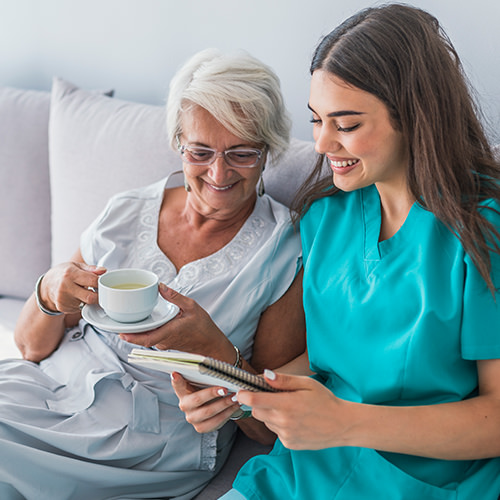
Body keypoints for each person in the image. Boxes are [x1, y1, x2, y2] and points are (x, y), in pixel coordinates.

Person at [172, 5, 500, 499]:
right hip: (302, 472)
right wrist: (241, 394)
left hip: (425, 482)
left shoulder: (481, 231)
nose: (322, 143)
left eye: (344, 124)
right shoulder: (326, 216)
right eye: (316, 120)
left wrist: (346, 423)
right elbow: (327, 361)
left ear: (412, 117)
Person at [0, 48, 306, 500]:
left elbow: (267, 430)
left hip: (149, 434)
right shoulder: (126, 210)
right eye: (200, 151)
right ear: (178, 142)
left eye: (242, 153)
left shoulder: (284, 250)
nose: (219, 173)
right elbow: (30, 346)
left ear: (268, 151)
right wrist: (49, 290)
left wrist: (214, 351)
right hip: (51, 388)